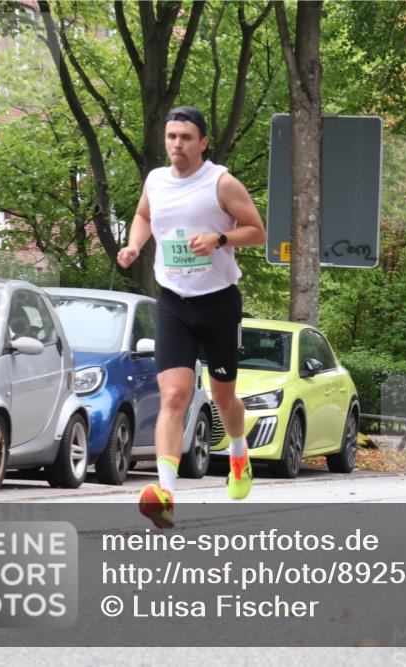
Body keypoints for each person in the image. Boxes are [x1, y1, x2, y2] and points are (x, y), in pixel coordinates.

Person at [117, 105, 267, 528]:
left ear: (203, 142)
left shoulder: (222, 183)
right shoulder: (156, 180)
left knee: (222, 397)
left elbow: (257, 230)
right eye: (171, 137)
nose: (177, 145)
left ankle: (239, 454)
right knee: (174, 396)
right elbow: (144, 214)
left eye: (185, 137)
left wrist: (220, 238)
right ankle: (165, 493)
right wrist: (134, 246)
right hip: (173, 301)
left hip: (218, 302)